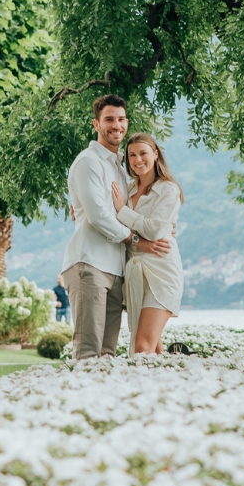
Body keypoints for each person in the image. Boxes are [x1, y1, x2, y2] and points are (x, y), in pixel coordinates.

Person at [62, 94, 171, 360]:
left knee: (107, 355)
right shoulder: (88, 162)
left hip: (116, 270)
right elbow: (99, 216)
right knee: (88, 354)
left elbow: (132, 211)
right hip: (90, 265)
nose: (116, 125)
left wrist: (163, 227)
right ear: (96, 124)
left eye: (121, 119)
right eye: (109, 119)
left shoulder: (121, 169)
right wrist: (138, 241)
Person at [111, 133, 184, 354]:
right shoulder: (127, 189)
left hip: (161, 271)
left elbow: (154, 230)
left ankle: (142, 386)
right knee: (153, 347)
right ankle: (167, 387)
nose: (137, 159)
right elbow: (105, 217)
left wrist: (123, 211)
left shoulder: (168, 189)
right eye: (132, 155)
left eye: (143, 153)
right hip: (134, 273)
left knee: (142, 346)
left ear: (155, 154)